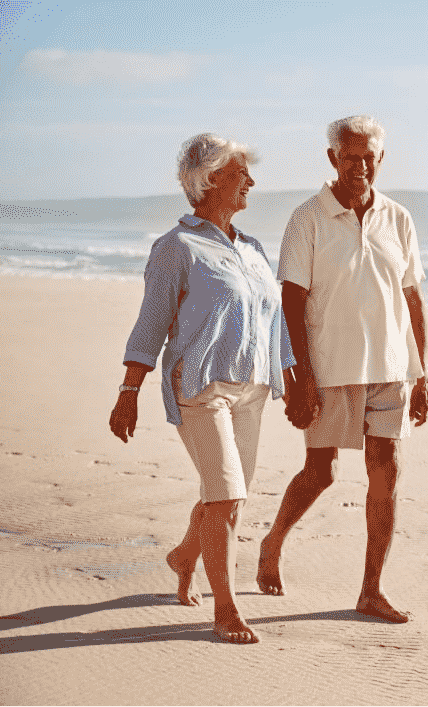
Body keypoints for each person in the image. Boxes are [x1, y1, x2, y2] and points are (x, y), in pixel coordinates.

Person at [109, 133, 295, 644]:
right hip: (201, 387)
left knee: (226, 496)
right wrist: (129, 390)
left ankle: (184, 554)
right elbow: (151, 323)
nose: (251, 182)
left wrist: (292, 377)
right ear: (212, 181)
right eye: (241, 174)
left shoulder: (252, 249)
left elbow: (271, 323)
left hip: (254, 389)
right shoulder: (176, 248)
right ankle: (225, 611)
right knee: (228, 497)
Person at [257, 115, 428, 623]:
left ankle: (370, 590)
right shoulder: (307, 218)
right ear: (332, 158)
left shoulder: (398, 218)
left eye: (368, 157)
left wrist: (422, 373)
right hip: (329, 368)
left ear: (380, 159)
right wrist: (298, 376)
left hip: (391, 367)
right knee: (321, 472)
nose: (359, 166)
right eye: (350, 157)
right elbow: (291, 300)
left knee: (387, 472)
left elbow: (413, 296)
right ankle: (273, 541)